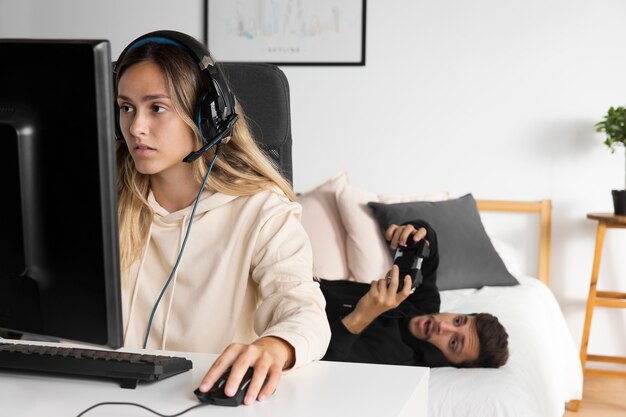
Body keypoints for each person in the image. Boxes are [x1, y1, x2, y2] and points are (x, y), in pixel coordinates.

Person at [114, 30, 330, 405]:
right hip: (94, 397)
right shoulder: (107, 201)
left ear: (206, 116)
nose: (136, 128)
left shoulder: (262, 212)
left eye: (156, 108)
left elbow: (304, 311)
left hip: (201, 404)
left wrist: (275, 346)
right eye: (126, 107)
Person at [319, 221, 509, 368]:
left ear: (450, 363)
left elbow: (325, 360)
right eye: (458, 321)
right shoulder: (424, 305)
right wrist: (415, 231)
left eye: (453, 343)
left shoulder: (397, 360)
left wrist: (363, 315)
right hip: (302, 283)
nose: (443, 326)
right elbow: (430, 243)